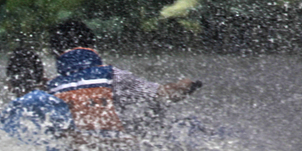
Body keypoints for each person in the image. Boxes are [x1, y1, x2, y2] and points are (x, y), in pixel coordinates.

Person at [46, 19, 201, 137]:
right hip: (116, 149)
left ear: (55, 53)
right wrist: (184, 86)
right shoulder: (113, 75)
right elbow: (163, 95)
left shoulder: (51, 87)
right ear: (92, 46)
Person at [0, 47, 74, 150]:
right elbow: (71, 139)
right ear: (43, 79)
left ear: (9, 85)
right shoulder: (53, 102)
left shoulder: (7, 112)